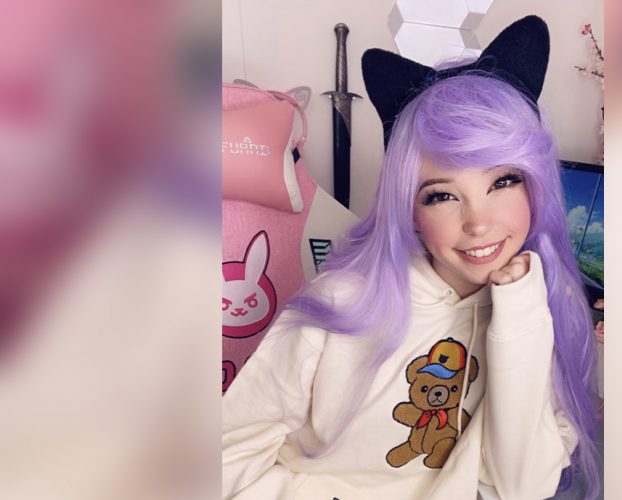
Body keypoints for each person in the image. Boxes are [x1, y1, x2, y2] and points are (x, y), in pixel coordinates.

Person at [222, 16, 600, 500]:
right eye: (442, 195)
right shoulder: (340, 303)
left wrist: (518, 310)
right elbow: (228, 457)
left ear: (536, 184)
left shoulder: (545, 303)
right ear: (409, 209)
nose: (478, 223)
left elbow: (523, 486)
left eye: (503, 181)